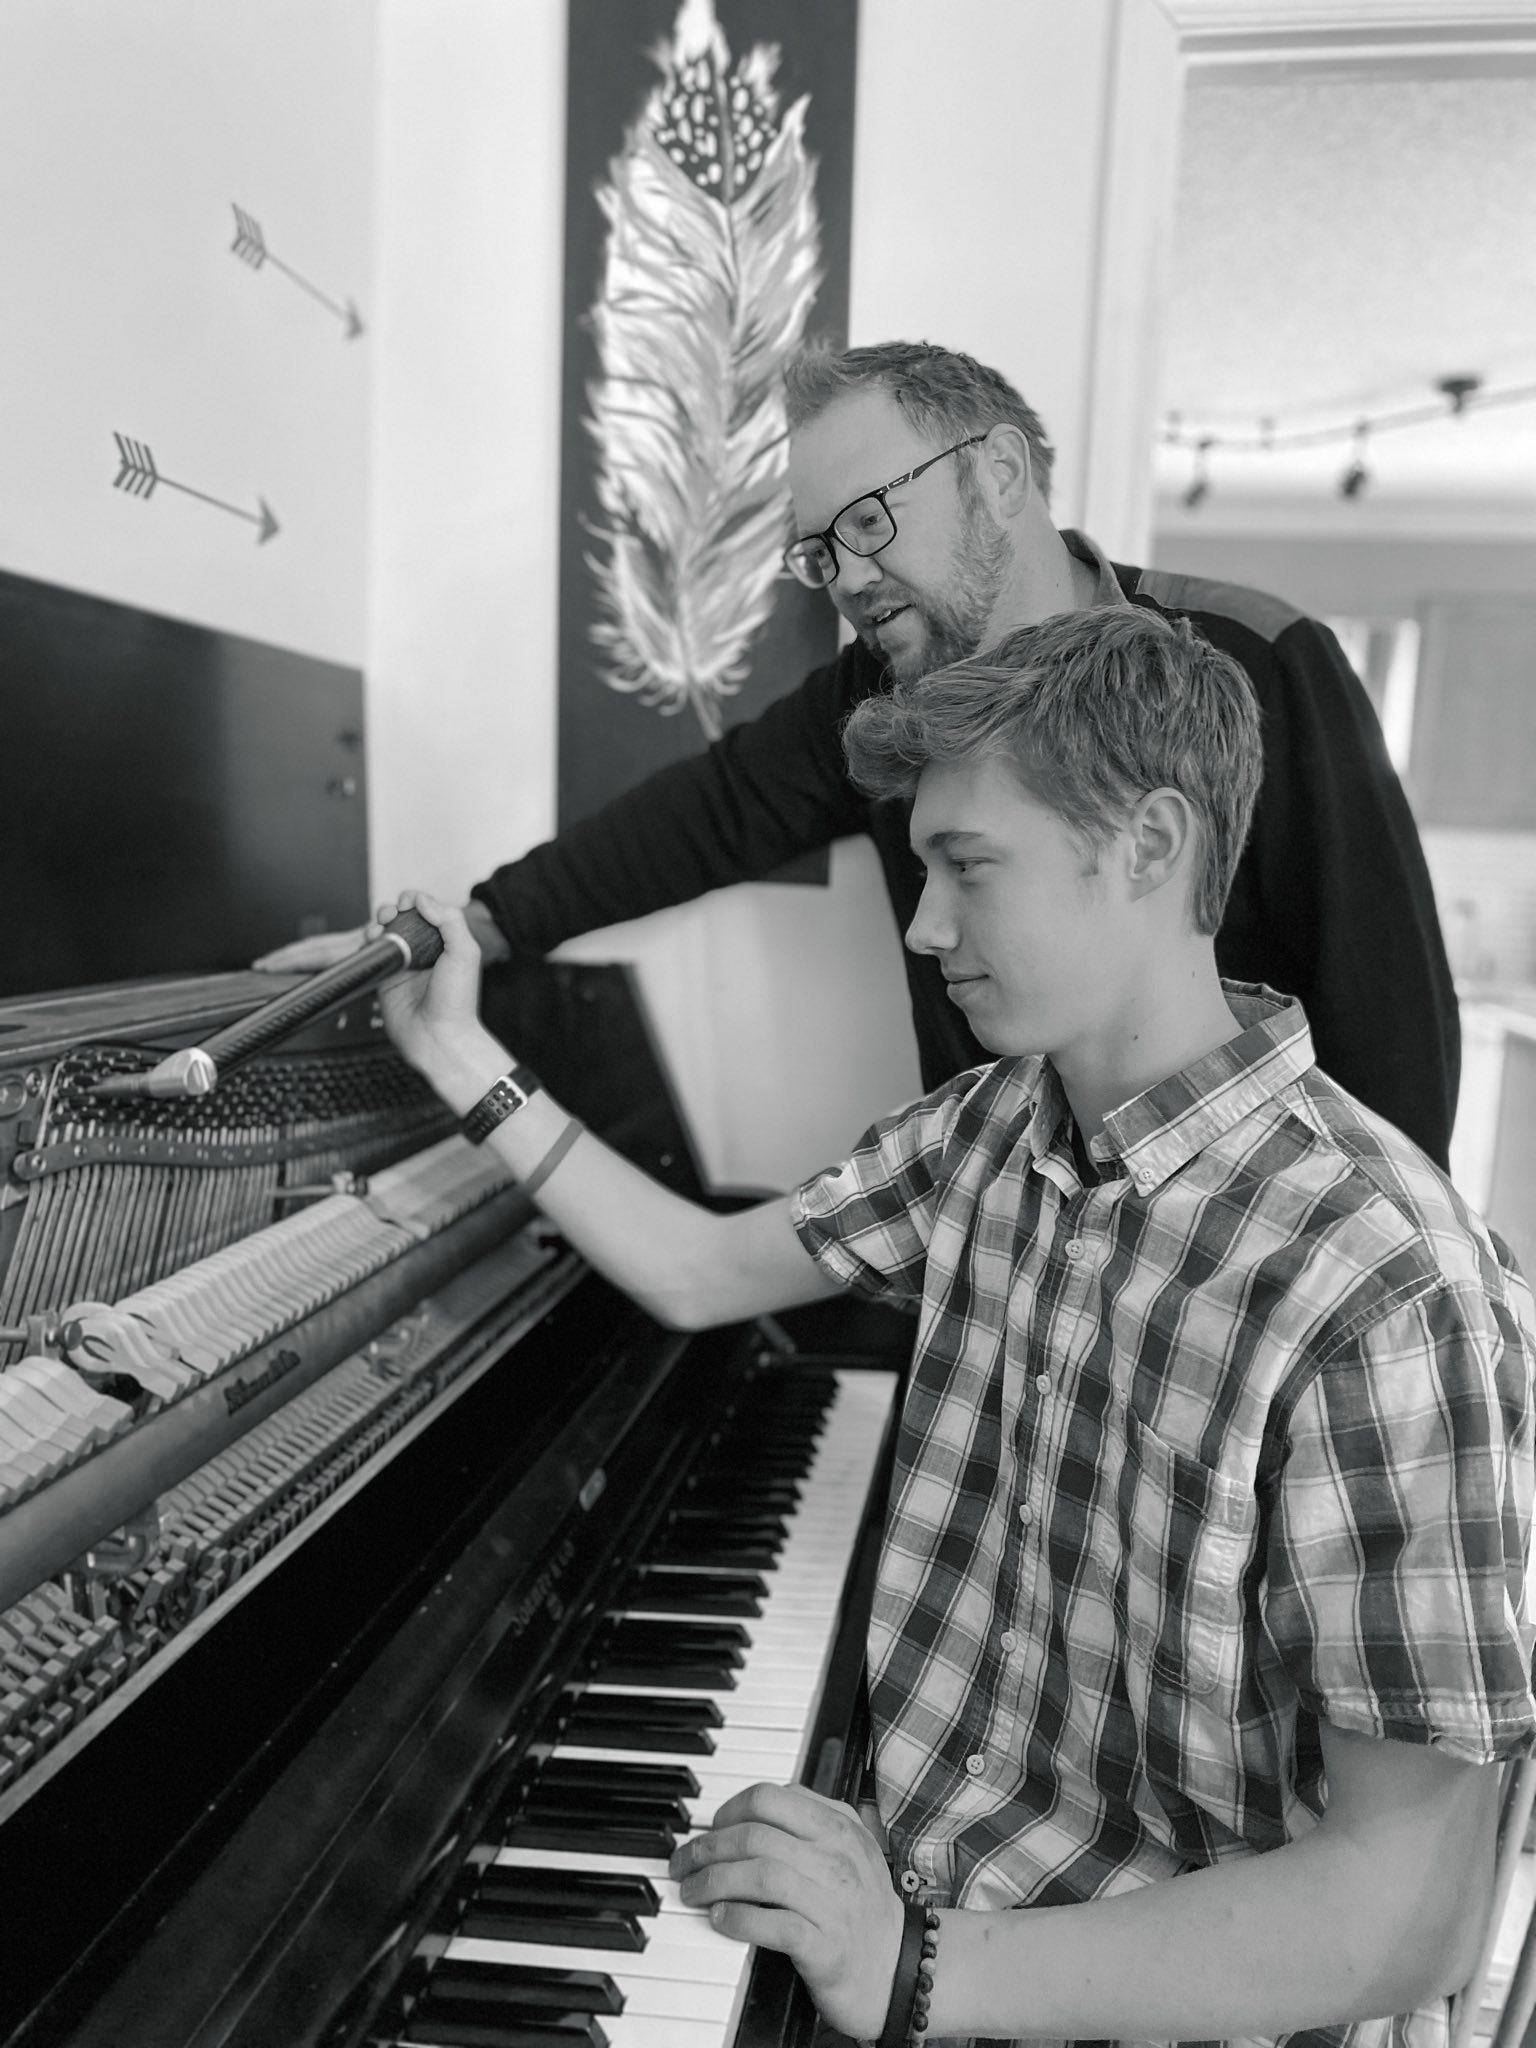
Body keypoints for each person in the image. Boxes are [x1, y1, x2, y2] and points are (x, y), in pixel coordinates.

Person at [375, 605, 1533, 2048]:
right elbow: (697, 1271)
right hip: (918, 1913)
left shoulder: (1384, 1285)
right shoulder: (990, 1128)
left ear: (1153, 848)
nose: (922, 927)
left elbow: (1408, 1914)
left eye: (965, 868)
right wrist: (463, 1058)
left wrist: (920, 1971)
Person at [260, 340, 1460, 1170]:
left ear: (999, 474)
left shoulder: (1252, 653)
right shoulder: (878, 691)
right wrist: (459, 932)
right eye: (819, 553)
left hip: (1234, 1261)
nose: (848, 577)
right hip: (1008, 1246)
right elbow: (705, 815)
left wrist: (1366, 1259)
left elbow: (1389, 1007)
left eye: (870, 521)